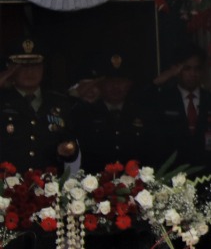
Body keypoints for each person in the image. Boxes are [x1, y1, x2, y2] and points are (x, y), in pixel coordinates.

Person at [149, 46, 211, 206]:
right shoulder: (163, 101)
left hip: (208, 186)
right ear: (177, 70)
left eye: (197, 69)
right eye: (187, 68)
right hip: (172, 186)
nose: (192, 74)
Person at [0, 39, 81, 171]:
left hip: (49, 187)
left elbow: (71, 144)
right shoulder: (3, 100)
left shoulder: (59, 102)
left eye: (35, 66)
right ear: (11, 69)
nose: (30, 72)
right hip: (7, 186)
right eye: (23, 67)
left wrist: (69, 149)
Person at [72, 53, 149, 171]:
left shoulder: (141, 112)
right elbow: (69, 99)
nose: (116, 87)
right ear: (101, 85)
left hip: (135, 182)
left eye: (121, 82)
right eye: (110, 82)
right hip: (97, 183)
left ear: (129, 84)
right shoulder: (86, 112)